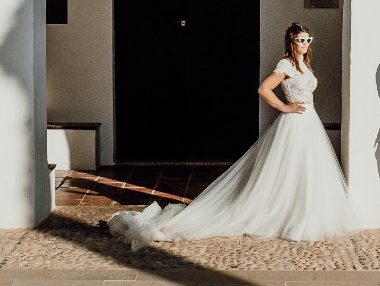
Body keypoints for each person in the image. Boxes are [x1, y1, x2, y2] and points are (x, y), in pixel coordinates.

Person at [108, 23, 358, 251]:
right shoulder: (286, 65)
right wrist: (284, 107)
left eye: (308, 40)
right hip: (294, 122)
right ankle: (287, 215)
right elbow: (263, 88)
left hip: (309, 123)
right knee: (288, 170)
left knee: (308, 171)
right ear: (291, 42)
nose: (305, 44)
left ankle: (307, 214)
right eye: (300, 40)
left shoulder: (304, 64)